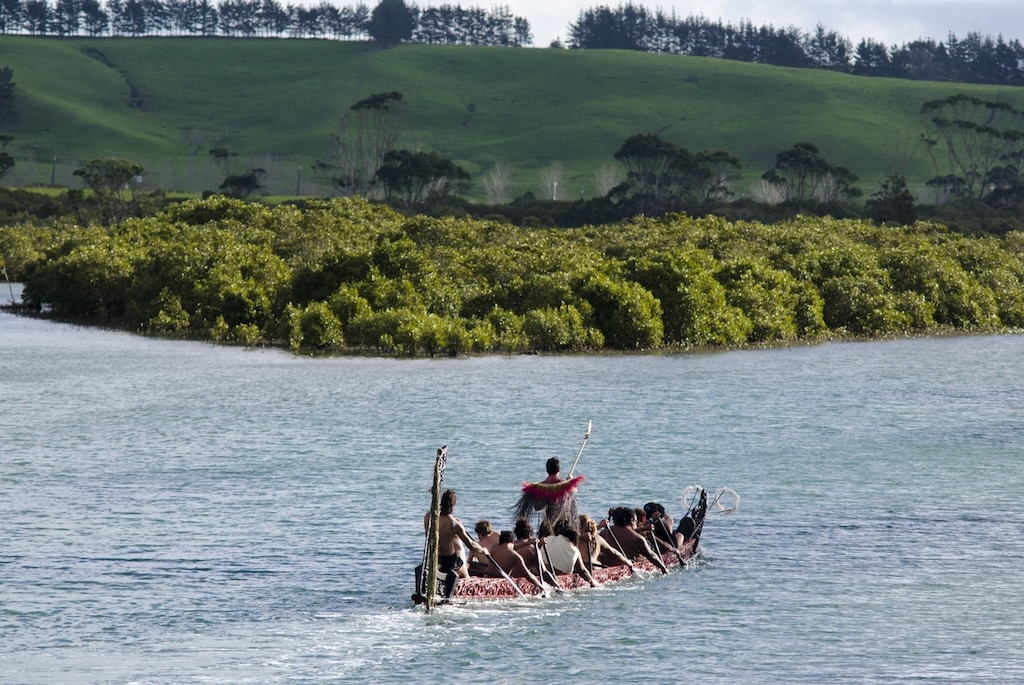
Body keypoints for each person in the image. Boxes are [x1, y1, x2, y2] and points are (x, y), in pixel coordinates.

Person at [417, 489, 489, 599]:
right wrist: (483, 550)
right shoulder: (454, 524)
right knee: (466, 574)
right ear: (453, 504)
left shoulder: (428, 516)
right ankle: (464, 589)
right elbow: (471, 545)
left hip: (432, 557)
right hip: (449, 560)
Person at [598, 506, 669, 574]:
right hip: (621, 567)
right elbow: (651, 556)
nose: (636, 522)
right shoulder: (638, 539)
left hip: (602, 564)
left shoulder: (603, 533)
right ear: (632, 520)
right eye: (635, 520)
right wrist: (663, 568)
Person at [487, 530, 547, 594]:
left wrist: (528, 543)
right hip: (502, 581)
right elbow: (528, 575)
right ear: (512, 541)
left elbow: (511, 548)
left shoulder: (493, 548)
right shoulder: (515, 556)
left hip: (489, 577)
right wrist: (540, 586)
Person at [544, 522, 597, 587]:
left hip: (543, 574)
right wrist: (592, 582)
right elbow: (582, 571)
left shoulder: (549, 538)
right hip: (561, 578)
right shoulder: (575, 551)